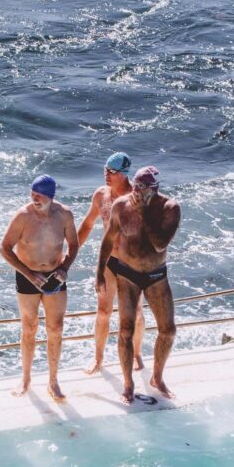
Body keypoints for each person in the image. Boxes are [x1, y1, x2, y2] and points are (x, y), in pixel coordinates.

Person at [96, 166, 181, 403]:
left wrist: (143, 213)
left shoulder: (169, 208)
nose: (136, 191)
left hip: (156, 275)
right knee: (125, 330)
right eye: (134, 185)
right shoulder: (121, 205)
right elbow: (108, 239)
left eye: (142, 188)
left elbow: (160, 245)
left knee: (168, 329)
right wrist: (99, 272)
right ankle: (128, 383)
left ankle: (157, 377)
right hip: (127, 274)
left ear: (154, 189)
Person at [0, 175, 79, 402]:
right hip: (27, 276)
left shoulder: (64, 214)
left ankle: (53, 381)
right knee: (29, 327)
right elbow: (4, 248)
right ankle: (25, 379)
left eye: (39, 196)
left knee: (55, 328)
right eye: (32, 194)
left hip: (55, 275)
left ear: (51, 197)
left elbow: (73, 244)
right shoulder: (23, 216)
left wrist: (65, 268)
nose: (34, 199)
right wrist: (28, 273)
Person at [77, 152, 146, 375]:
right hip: (109, 262)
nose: (106, 174)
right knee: (103, 311)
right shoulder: (101, 195)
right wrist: (70, 253)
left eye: (111, 171)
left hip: (132, 264)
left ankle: (136, 354)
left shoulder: (136, 198)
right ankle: (98, 358)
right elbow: (87, 225)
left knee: (135, 312)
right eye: (105, 169)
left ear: (123, 174)